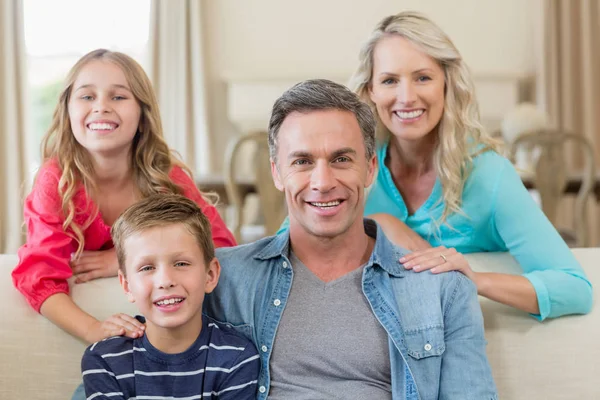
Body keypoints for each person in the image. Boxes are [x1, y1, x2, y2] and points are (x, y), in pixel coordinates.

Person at [280, 11, 592, 321]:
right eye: (389, 80)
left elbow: (574, 288)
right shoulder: (353, 164)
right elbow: (285, 248)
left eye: (423, 78)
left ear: (446, 83)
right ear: (371, 90)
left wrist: (473, 279)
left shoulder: (487, 174)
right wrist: (379, 225)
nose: (406, 97)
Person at [205, 79, 498, 399]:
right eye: (302, 162)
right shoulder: (223, 279)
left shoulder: (442, 289)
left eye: (341, 159)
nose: (323, 182)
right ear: (277, 173)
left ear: (370, 168)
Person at [12, 49, 236, 345]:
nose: (101, 107)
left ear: (143, 115)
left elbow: (222, 247)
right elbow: (39, 277)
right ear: (68, 110)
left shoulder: (166, 178)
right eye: (87, 96)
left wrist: (120, 260)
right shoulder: (56, 181)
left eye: (118, 97)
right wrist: (94, 330)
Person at [81, 194, 259, 399]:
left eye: (181, 263)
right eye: (147, 267)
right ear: (127, 285)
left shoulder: (237, 357)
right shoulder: (103, 360)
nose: (165, 281)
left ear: (210, 275)